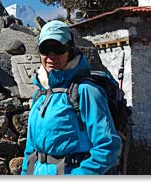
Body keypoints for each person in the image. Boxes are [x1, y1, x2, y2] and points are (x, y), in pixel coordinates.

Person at [21, 20, 121, 175]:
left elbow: (107, 147)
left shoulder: (86, 92)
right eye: (45, 49)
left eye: (58, 49)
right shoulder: (40, 94)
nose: (51, 56)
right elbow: (30, 149)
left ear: (70, 50)